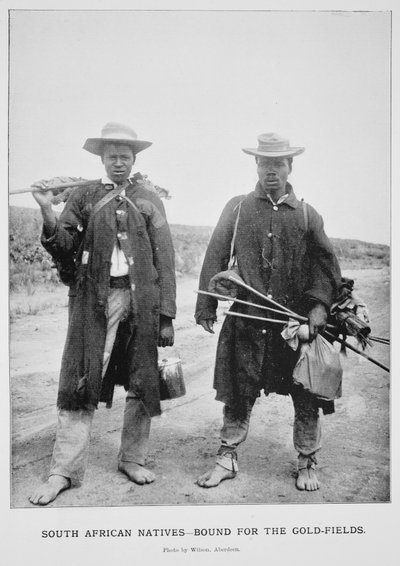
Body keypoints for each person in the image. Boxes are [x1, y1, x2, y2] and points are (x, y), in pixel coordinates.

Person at [29, 122, 176, 505]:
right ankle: (64, 471)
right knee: (80, 380)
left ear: (134, 159)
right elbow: (62, 246)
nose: (119, 163)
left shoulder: (149, 199)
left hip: (141, 302)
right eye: (112, 157)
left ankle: (132, 458)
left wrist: (165, 316)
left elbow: (166, 259)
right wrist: (47, 209)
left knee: (143, 380)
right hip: (93, 302)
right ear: (101, 158)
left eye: (125, 157)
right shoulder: (84, 197)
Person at [195, 132, 342, 491]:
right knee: (237, 390)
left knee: (306, 393)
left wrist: (318, 310)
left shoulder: (307, 215)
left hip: (292, 324)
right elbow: (215, 256)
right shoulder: (238, 207)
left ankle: (307, 461)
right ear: (256, 166)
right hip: (247, 320)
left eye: (278, 164)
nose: (270, 171)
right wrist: (207, 306)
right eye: (264, 163)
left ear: (290, 166)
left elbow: (326, 269)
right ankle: (226, 457)